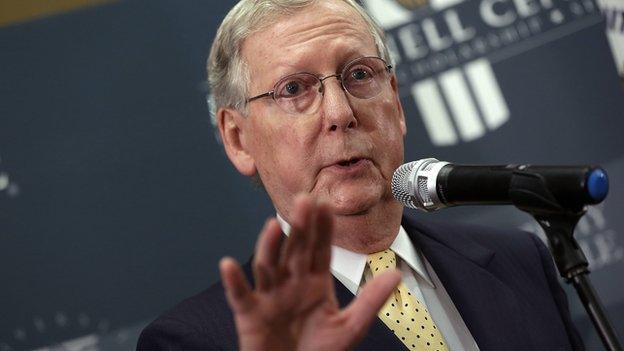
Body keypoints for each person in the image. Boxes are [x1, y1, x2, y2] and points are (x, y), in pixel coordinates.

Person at [137, 0, 585, 350]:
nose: (340, 112)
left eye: (359, 75)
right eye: (294, 89)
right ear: (238, 139)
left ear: (395, 99)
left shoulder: (518, 260)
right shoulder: (200, 341)